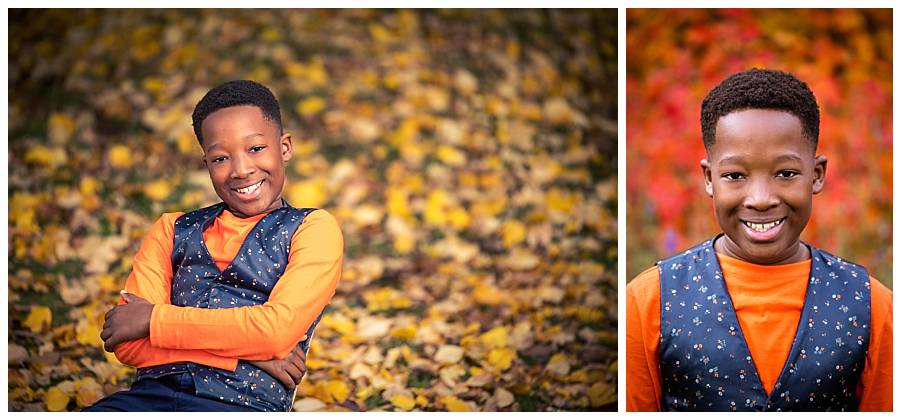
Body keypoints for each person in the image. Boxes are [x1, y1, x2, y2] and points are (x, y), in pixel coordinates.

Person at [625, 69, 892, 411]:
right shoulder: (649, 300)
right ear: (709, 179)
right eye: (735, 175)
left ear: (817, 174)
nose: (761, 198)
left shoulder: (872, 305)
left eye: (786, 173)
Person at [85, 80, 344, 411]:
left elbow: (275, 332)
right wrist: (249, 358)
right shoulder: (171, 229)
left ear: (284, 147)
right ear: (206, 163)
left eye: (255, 149)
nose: (241, 170)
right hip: (147, 401)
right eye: (221, 158)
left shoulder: (311, 229)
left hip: (242, 407)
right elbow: (127, 343)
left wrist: (154, 321)